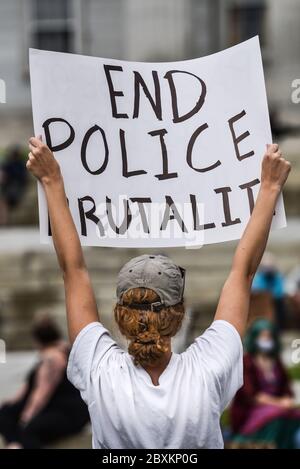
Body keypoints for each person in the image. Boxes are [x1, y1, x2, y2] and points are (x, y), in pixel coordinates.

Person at [26, 136, 290, 449]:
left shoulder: (101, 372)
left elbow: (73, 270)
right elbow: (242, 272)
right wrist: (270, 187)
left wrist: (51, 180)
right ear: (179, 315)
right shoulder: (208, 369)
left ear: (121, 316)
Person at [0, 314, 89, 449]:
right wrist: (13, 401)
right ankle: (15, 443)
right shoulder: (63, 348)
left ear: (37, 340)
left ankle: (17, 444)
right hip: (72, 409)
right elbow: (29, 387)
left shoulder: (51, 358)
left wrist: (26, 418)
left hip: (67, 411)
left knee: (29, 428)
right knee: (6, 411)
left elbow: (42, 393)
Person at [230, 319, 300, 448]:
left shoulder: (276, 362)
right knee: (276, 415)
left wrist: (286, 400)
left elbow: (287, 388)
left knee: (294, 416)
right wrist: (279, 403)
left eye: (269, 336)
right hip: (252, 411)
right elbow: (251, 395)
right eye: (263, 336)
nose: (266, 340)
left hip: (278, 407)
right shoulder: (247, 362)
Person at [252, 252, 286, 329]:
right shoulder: (259, 277)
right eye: (266, 267)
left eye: (270, 267)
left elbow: (279, 291)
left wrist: (271, 295)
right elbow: (256, 289)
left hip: (276, 302)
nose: (268, 270)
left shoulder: (278, 277)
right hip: (262, 303)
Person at [0, 145, 27, 225]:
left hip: (15, 187)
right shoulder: (9, 163)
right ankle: (5, 221)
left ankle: (6, 221)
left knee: (8, 203)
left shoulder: (20, 164)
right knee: (6, 203)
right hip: (10, 187)